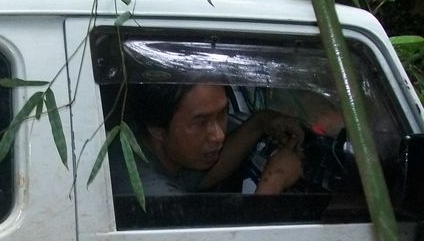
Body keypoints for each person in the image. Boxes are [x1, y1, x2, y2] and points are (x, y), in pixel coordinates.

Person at [117, 83, 305, 195]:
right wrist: (274, 180)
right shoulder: (149, 192)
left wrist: (261, 122)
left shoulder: (151, 148)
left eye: (222, 113)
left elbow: (200, 177)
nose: (218, 135)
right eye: (201, 122)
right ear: (157, 130)